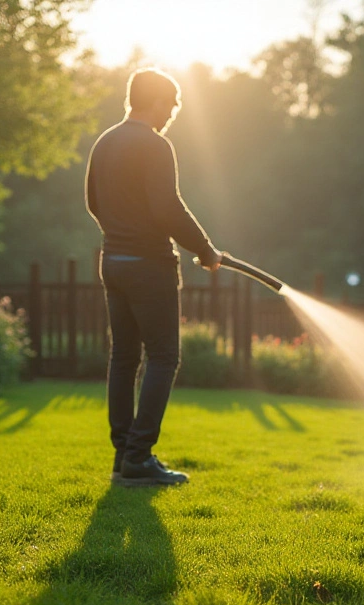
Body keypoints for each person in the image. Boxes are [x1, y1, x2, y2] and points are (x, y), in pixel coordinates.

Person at [85, 68, 222, 487]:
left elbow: (92, 201)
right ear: (158, 101)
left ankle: (123, 456)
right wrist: (204, 248)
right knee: (163, 357)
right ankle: (139, 457)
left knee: (123, 358)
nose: (171, 116)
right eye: (172, 107)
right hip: (150, 266)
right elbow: (167, 207)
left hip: (113, 262)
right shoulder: (156, 145)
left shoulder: (105, 141)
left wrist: (119, 233)